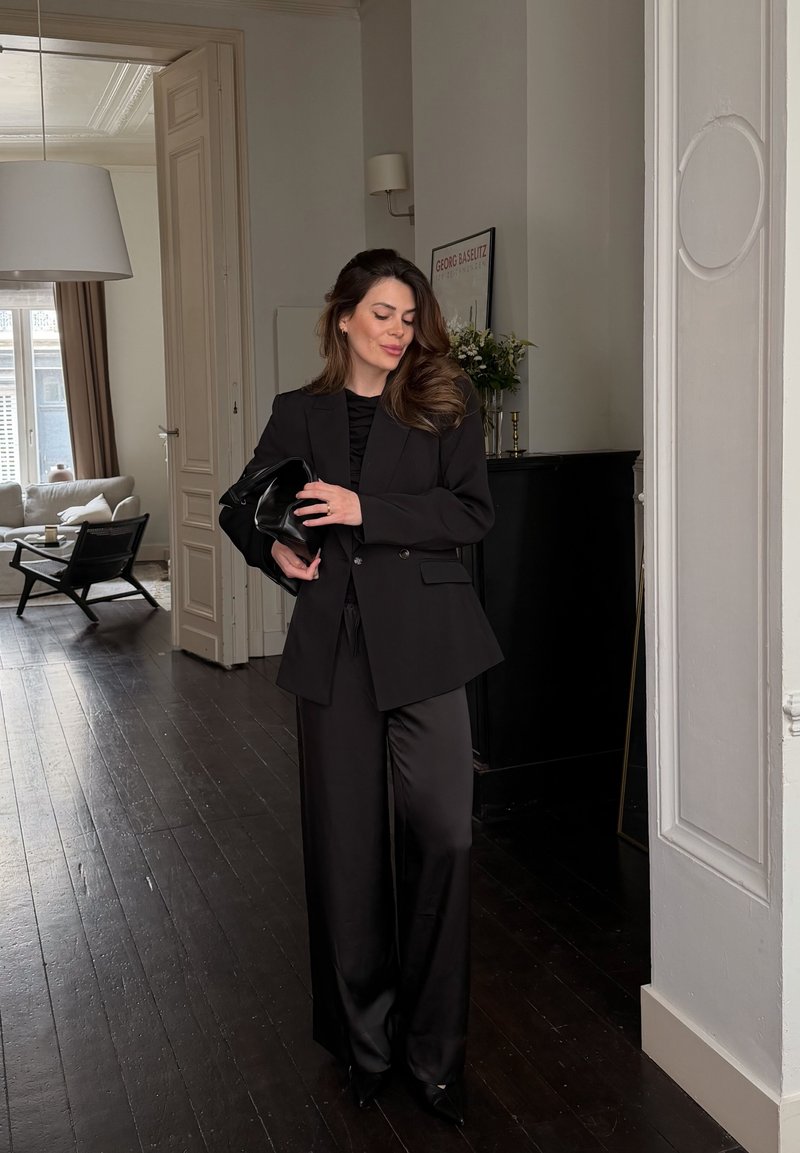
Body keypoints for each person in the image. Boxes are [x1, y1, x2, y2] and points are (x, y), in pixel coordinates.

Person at [237, 248, 502, 1125]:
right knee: (345, 853)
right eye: (381, 313)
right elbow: (244, 503)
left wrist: (365, 511)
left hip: (428, 641)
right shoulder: (296, 411)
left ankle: (435, 1053)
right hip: (336, 647)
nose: (397, 331)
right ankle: (367, 1046)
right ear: (344, 315)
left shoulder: (443, 403)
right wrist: (270, 547)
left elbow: (472, 513)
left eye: (408, 315)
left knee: (445, 834)